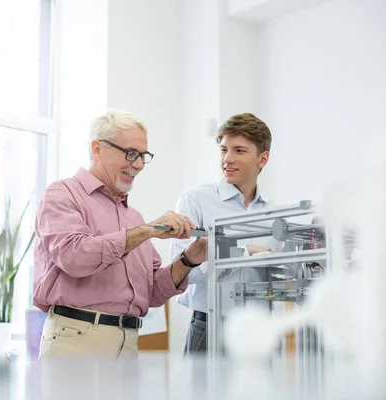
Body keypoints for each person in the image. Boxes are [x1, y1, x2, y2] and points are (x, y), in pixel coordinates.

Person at [33, 108, 208, 358]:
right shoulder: (62, 194)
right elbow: (75, 256)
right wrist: (147, 231)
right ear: (97, 149)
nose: (138, 164)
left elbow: (153, 293)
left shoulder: (133, 218)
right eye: (130, 153)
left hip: (129, 344)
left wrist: (189, 260)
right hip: (76, 339)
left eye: (143, 155)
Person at [170, 113, 281, 356]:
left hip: (262, 328)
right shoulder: (195, 200)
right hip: (210, 326)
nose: (227, 159)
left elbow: (282, 272)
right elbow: (180, 273)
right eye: (223, 150)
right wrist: (247, 252)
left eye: (239, 150)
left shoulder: (274, 213)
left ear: (263, 158)